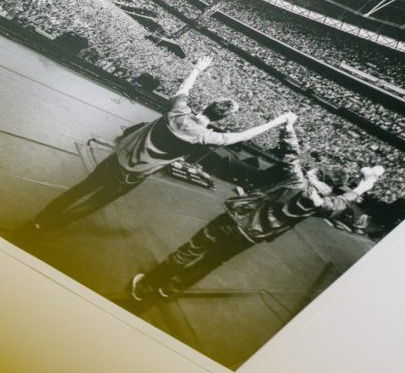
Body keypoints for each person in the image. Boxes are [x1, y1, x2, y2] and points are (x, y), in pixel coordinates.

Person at [14, 55, 296, 239]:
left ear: (208, 105)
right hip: (132, 176)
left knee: (80, 189)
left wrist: (197, 69)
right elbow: (241, 136)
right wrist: (279, 121)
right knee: (93, 203)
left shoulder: (177, 111)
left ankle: (37, 220)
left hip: (116, 160)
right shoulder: (204, 137)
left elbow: (183, 90)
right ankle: (45, 228)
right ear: (222, 119)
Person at [128, 120, 385, 305]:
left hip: (236, 219)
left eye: (316, 170)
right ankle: (169, 290)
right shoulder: (328, 204)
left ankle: (146, 286)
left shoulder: (297, 181)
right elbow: (346, 200)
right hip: (253, 235)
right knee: (211, 261)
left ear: (319, 174)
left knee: (192, 249)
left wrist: (288, 125)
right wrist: (366, 184)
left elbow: (291, 153)